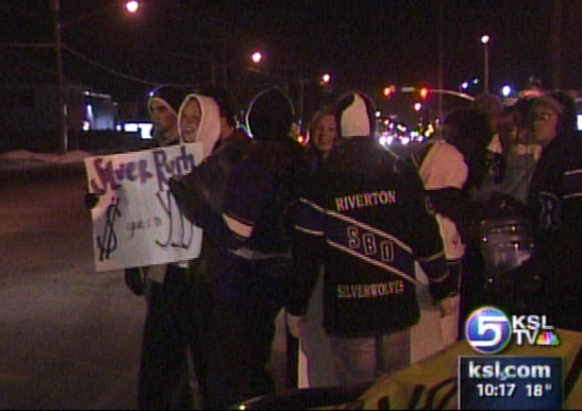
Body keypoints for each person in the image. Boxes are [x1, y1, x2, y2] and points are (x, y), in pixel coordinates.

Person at [287, 91, 456, 386]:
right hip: (396, 305)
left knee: (358, 392)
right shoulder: (400, 172)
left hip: (350, 310)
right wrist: (443, 286)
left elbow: (307, 253)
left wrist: (296, 306)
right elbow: (425, 234)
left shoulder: (322, 180)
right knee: (392, 388)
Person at [171, 87, 306, 408]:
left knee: (236, 370)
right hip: (285, 274)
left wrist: (195, 208)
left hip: (247, 281)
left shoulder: (254, 166)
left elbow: (234, 234)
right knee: (260, 362)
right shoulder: (300, 160)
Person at [134, 90, 221, 410]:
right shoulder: (159, 160)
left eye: (196, 119)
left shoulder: (221, 165)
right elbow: (138, 214)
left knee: (209, 365)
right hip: (168, 276)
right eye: (185, 117)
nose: (187, 124)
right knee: (163, 363)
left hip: (205, 281)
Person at [407, 108, 494, 354]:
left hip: (436, 247)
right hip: (441, 248)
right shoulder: (448, 157)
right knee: (441, 327)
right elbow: (440, 198)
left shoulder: (439, 152)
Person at [507, 90, 582, 331]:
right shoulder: (549, 155)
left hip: (570, 270)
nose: (536, 122)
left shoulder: (573, 154)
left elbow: (576, 213)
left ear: (562, 120)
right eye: (535, 116)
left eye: (544, 116)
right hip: (552, 264)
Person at [305, 105, 337, 174]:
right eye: (319, 128)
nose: (324, 134)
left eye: (331, 129)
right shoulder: (300, 164)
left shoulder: (346, 167)